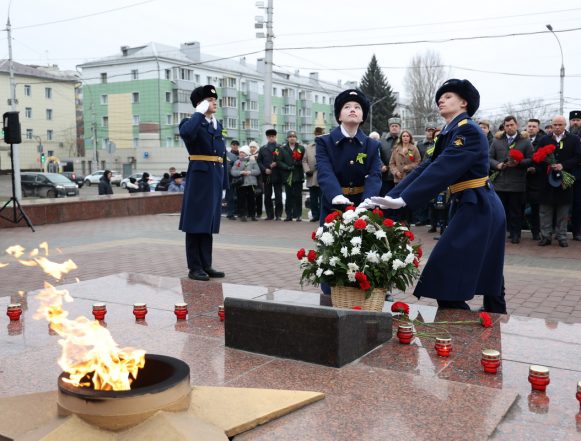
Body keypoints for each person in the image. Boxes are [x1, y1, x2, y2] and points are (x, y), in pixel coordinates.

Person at [366, 79, 506, 313]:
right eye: (440, 97)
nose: (441, 99)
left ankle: (467, 330)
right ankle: (493, 318)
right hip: (468, 203)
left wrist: (406, 199)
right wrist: (392, 198)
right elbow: (425, 167)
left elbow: (444, 167)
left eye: (448, 96)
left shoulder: (468, 131)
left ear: (464, 103)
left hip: (480, 206)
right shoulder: (449, 132)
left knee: (447, 274)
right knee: (488, 270)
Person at [316, 88, 382, 295]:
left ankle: (362, 288)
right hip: (334, 203)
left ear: (363, 116)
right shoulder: (325, 142)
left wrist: (367, 201)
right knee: (332, 248)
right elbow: (325, 171)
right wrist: (336, 195)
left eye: (357, 107)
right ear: (339, 115)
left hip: (361, 203)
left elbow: (374, 174)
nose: (352, 110)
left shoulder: (371, 145)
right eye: (347, 107)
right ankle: (331, 291)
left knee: (363, 247)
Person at [178, 84, 228, 281]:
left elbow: (221, 156)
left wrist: (224, 185)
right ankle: (194, 266)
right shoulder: (190, 122)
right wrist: (198, 114)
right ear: (200, 104)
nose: (214, 102)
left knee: (208, 223)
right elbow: (188, 135)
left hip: (214, 177)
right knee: (195, 223)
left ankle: (206, 264)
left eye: (215, 99)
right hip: (199, 177)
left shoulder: (216, 125)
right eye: (210, 99)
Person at [536, 115, 581, 247]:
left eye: (560, 125)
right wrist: (548, 164)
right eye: (555, 124)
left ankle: (561, 236)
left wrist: (563, 165)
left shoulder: (574, 139)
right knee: (545, 209)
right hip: (546, 180)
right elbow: (537, 157)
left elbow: (578, 157)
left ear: (565, 125)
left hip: (565, 180)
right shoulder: (544, 139)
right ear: (552, 125)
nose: (557, 127)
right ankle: (545, 236)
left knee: (563, 209)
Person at [489, 115, 533, 244]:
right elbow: (488, 157)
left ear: (517, 125)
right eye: (507, 125)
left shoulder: (525, 141)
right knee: (500, 212)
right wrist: (496, 165)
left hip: (517, 183)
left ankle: (515, 234)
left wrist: (519, 163)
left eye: (512, 125)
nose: (509, 127)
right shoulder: (497, 141)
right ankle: (501, 234)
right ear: (504, 127)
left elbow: (531, 159)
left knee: (516, 211)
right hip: (500, 183)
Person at [389, 129, 421, 224]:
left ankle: (408, 220)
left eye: (407, 136)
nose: (405, 138)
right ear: (401, 138)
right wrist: (395, 172)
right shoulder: (396, 149)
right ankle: (398, 220)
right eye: (404, 136)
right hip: (398, 178)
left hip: (409, 178)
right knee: (397, 199)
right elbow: (391, 163)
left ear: (410, 138)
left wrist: (409, 167)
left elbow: (418, 162)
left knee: (407, 199)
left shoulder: (414, 148)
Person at [257, 129, 284, 220]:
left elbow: (284, 159)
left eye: (273, 136)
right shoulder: (263, 148)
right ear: (267, 137)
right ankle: (269, 215)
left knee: (278, 196)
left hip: (277, 175)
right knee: (267, 195)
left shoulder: (280, 147)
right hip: (267, 175)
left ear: (275, 137)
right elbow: (259, 162)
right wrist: (265, 170)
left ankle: (278, 215)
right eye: (269, 136)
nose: (271, 138)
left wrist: (277, 163)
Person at [231, 145, 261, 222]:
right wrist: (241, 172)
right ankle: (242, 215)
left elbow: (258, 171)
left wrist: (250, 172)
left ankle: (252, 215)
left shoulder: (253, 161)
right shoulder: (237, 162)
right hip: (241, 184)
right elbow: (233, 172)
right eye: (240, 152)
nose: (241, 154)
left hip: (251, 184)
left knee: (252, 200)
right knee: (241, 200)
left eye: (243, 152)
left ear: (247, 153)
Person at [281, 130, 305, 221]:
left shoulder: (301, 148)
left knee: (298, 196)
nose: (292, 138)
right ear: (287, 138)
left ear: (296, 138)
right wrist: (286, 167)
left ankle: (298, 215)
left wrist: (298, 163)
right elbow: (279, 161)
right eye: (290, 137)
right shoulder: (283, 148)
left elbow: (304, 160)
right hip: (288, 176)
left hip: (298, 175)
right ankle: (289, 215)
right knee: (289, 196)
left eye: (294, 137)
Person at [303, 127, 324, 222]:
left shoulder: (327, 146)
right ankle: (315, 215)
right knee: (313, 199)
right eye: (317, 134)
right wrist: (307, 170)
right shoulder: (309, 147)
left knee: (323, 198)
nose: (318, 136)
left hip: (323, 176)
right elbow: (304, 160)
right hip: (311, 176)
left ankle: (322, 216)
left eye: (320, 134)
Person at [379, 117, 401, 196]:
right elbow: (377, 155)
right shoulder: (382, 141)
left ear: (399, 128)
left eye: (396, 126)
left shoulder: (404, 140)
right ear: (389, 127)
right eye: (392, 126)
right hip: (386, 176)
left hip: (401, 175)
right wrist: (381, 165)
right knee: (385, 197)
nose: (394, 128)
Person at [569, 110, 581, 241]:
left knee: (578, 204)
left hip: (579, 176)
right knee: (564, 204)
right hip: (565, 173)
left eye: (578, 120)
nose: (575, 123)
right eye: (573, 120)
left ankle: (576, 231)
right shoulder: (566, 135)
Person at [225, 140, 240, 220]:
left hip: (235, 178)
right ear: (231, 145)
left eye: (236, 145)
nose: (235, 146)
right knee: (229, 196)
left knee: (235, 196)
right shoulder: (226, 154)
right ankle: (230, 213)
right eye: (233, 144)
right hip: (227, 178)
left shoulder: (239, 155)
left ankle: (233, 213)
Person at [249, 141, 264, 219]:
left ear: (256, 148)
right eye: (251, 147)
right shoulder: (248, 155)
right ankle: (251, 212)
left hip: (259, 178)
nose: (252, 148)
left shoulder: (259, 155)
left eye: (253, 147)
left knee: (259, 196)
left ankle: (259, 213)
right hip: (250, 177)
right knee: (251, 196)